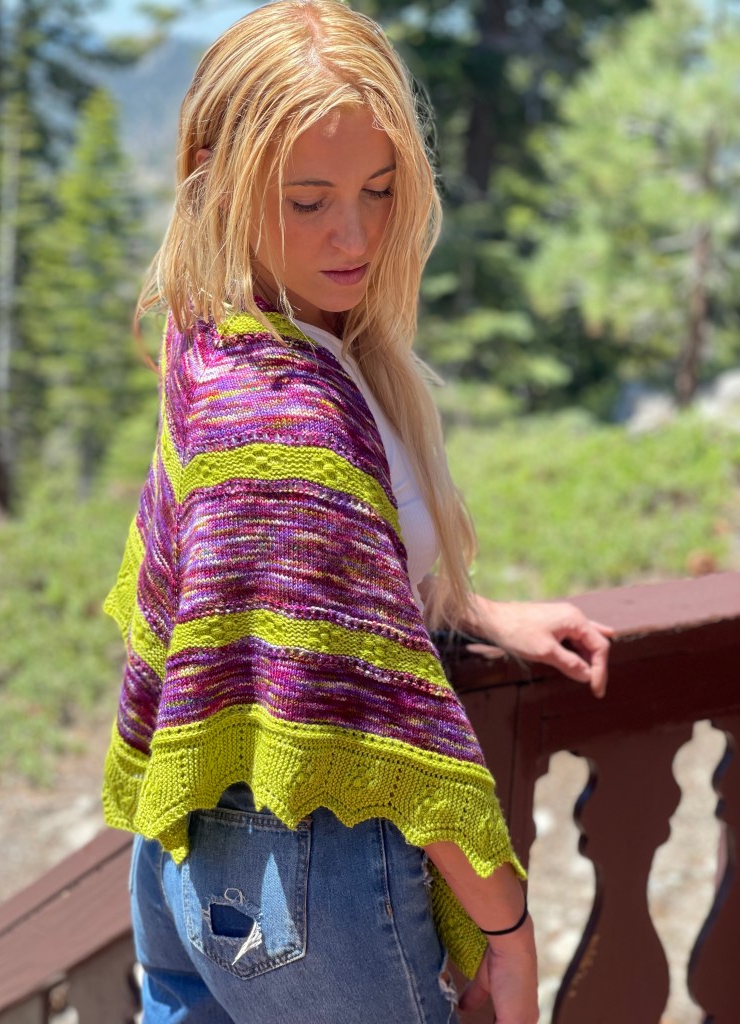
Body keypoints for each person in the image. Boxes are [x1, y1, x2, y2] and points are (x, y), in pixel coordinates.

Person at [101, 2, 612, 1021]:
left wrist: (464, 611)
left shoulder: (225, 333)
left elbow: (297, 594)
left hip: (191, 840)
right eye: (308, 200)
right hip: (303, 871)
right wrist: (507, 928)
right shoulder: (282, 414)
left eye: (380, 190)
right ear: (213, 173)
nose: (357, 235)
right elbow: (393, 735)